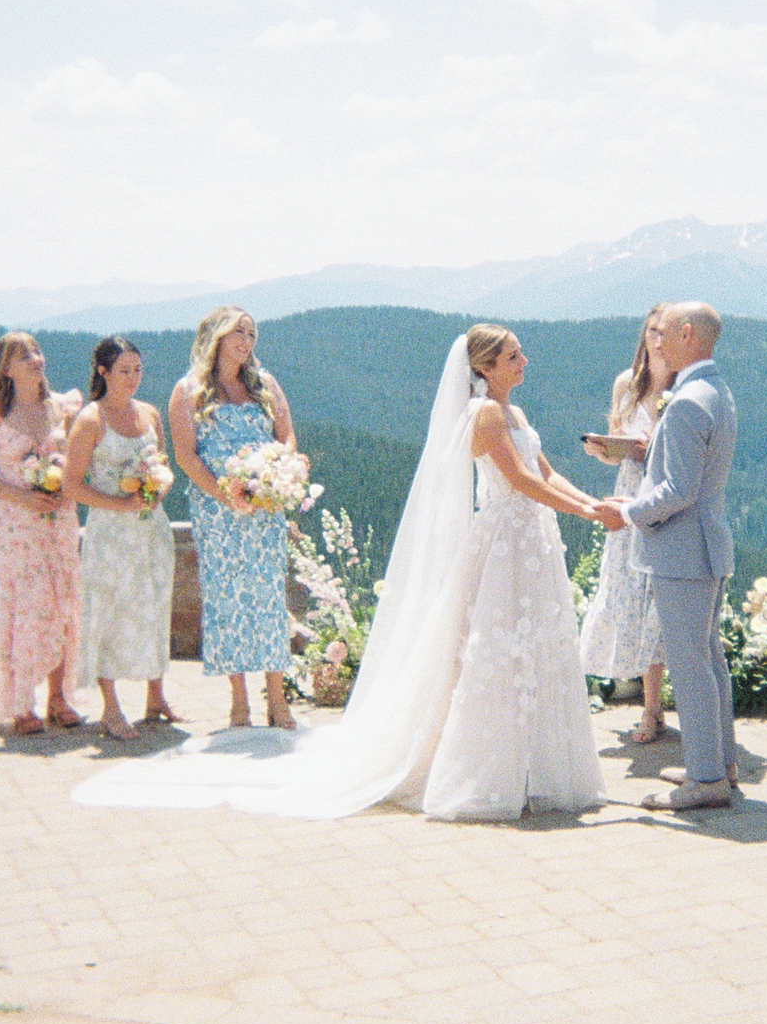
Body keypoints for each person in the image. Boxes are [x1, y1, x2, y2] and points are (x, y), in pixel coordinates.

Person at [73, 324, 606, 821]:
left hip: (532, 542)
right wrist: (586, 514)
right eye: (514, 355)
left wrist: (596, 501)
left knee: (532, 643)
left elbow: (546, 471)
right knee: (497, 647)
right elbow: (519, 481)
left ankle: (533, 760)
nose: (524, 361)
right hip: (505, 543)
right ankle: (491, 767)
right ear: (486, 367)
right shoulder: (485, 416)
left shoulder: (515, 415)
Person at [595, 302, 738, 811]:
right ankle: (720, 763)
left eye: (667, 332)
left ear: (687, 333)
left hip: (683, 552)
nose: (658, 341)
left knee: (690, 664)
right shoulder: (715, 390)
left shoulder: (684, 403)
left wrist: (627, 512)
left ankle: (705, 779)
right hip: (709, 544)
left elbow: (677, 490)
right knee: (709, 659)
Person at [168, 308, 297, 731]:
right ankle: (239, 700)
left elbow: (287, 435)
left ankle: (277, 698)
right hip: (217, 511)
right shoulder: (187, 391)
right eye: (237, 332)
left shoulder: (266, 384)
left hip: (265, 510)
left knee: (269, 600)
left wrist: (276, 473)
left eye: (251, 333)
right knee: (227, 601)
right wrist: (225, 493)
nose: (246, 340)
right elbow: (186, 455)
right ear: (215, 338)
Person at [0, 333, 84, 735]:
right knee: (26, 608)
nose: (35, 359)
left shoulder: (61, 408)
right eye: (23, 356)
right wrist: (23, 496)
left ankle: (58, 698)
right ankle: (21, 702)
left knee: (62, 602)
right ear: (6, 369)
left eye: (36, 351)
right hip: (17, 527)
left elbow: (75, 461)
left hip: (61, 521)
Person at [63, 338, 178, 740]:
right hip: (111, 534)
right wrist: (119, 503)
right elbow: (71, 486)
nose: (133, 378)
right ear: (103, 372)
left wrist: (157, 489)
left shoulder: (149, 413)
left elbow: (161, 464)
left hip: (152, 530)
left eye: (138, 370)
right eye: (125, 370)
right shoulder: (90, 420)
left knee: (156, 604)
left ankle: (156, 696)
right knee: (109, 614)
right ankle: (111, 709)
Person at [580, 305, 673, 741]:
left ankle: (654, 709)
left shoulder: (682, 387)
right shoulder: (628, 383)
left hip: (662, 494)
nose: (657, 338)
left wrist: (646, 449)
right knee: (629, 591)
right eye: (652, 330)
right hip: (627, 488)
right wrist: (604, 449)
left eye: (665, 331)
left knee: (657, 597)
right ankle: (644, 702)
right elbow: (620, 437)